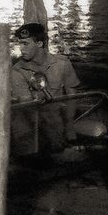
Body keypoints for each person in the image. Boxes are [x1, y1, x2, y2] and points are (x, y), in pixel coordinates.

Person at [10, 22, 81, 154]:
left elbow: (72, 96)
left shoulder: (62, 64)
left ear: (40, 44)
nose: (21, 48)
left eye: (26, 44)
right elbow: (27, 105)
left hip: (56, 120)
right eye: (20, 43)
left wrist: (69, 125)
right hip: (29, 126)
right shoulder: (17, 71)